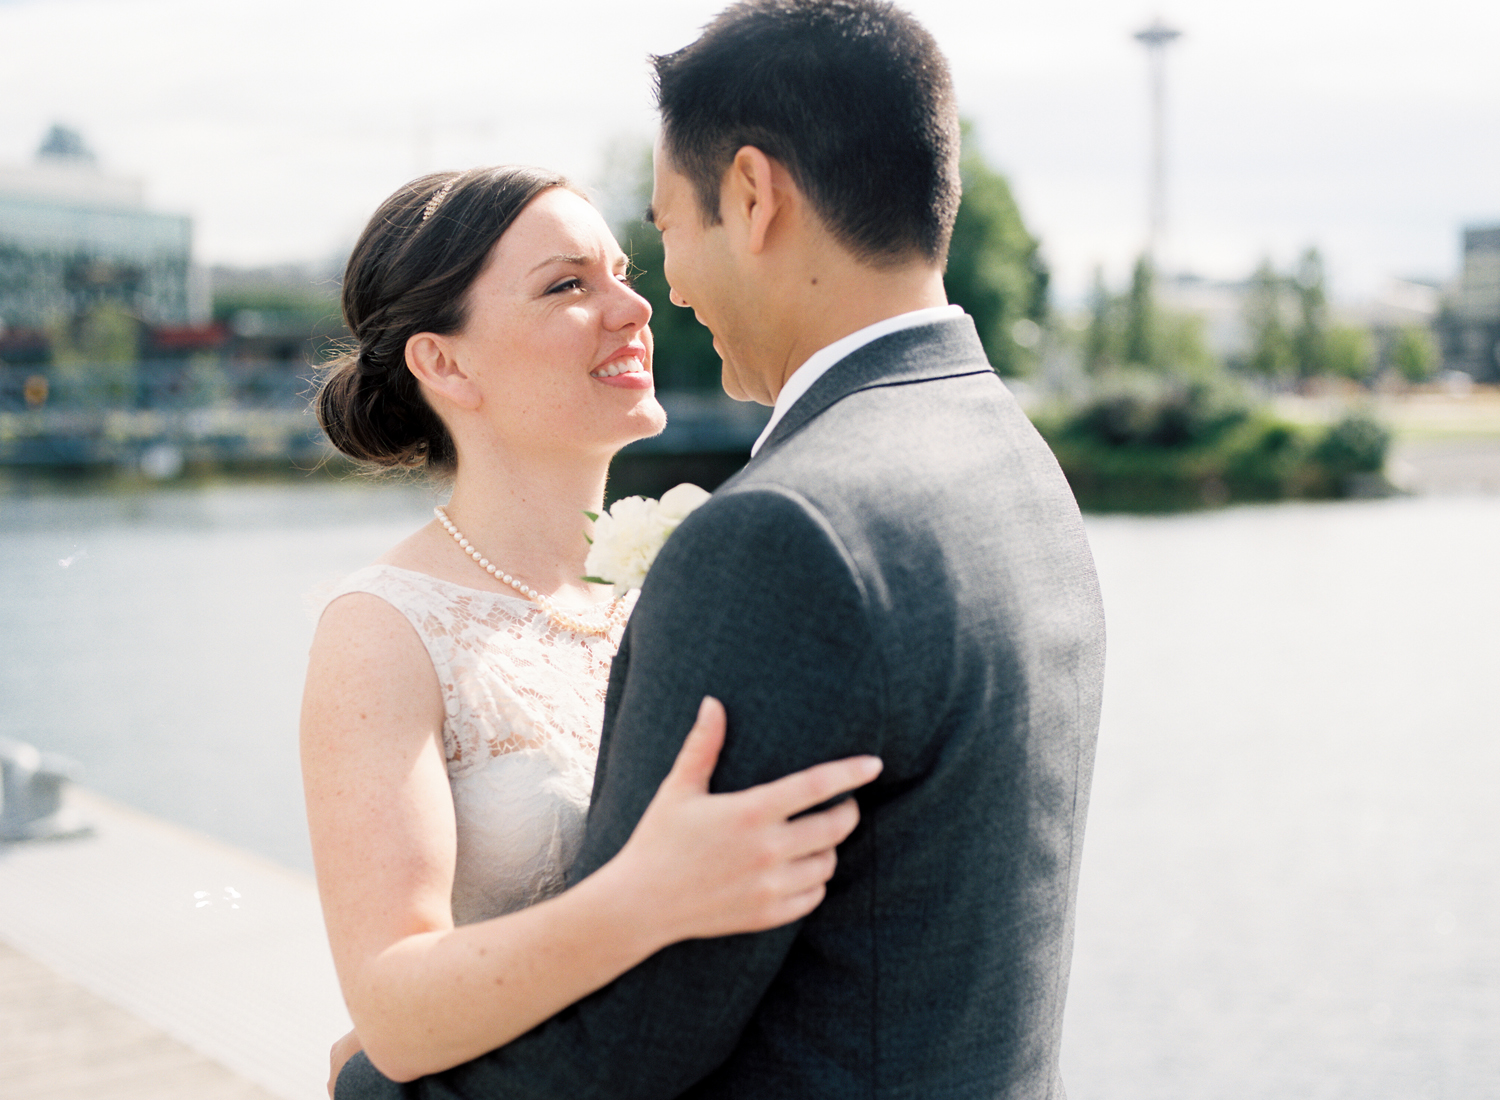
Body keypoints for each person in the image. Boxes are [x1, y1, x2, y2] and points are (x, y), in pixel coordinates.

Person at [338, 0, 1106, 1096]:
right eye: (570, 284)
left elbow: (630, 1044)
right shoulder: (1007, 457)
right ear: (442, 364)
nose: (655, 296)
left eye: (655, 240)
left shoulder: (776, 538)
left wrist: (365, 1086)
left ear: (753, 196)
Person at [301, 164, 885, 1090]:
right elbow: (393, 1015)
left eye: (624, 274)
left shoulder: (688, 577)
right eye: (568, 285)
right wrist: (643, 898)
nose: (632, 309)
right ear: (444, 362)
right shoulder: (383, 630)